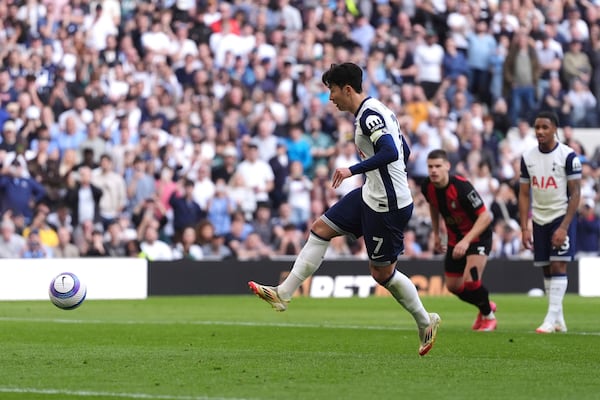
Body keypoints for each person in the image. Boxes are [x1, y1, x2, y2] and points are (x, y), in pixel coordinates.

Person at [248, 63, 440, 356]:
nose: (331, 98)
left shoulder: (370, 117)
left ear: (347, 89)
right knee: (320, 228)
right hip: (371, 194)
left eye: (332, 91)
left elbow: (390, 151)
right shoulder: (376, 109)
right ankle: (283, 293)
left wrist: (353, 169)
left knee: (382, 274)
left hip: (387, 206)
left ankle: (425, 320)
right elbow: (404, 150)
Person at [518, 111, 582, 334]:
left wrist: (564, 226)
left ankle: (549, 318)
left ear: (555, 129)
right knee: (546, 267)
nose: (540, 132)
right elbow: (524, 193)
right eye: (537, 127)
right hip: (539, 217)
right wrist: (524, 227)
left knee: (558, 264)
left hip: (560, 215)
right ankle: (559, 320)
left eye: (545, 127)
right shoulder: (527, 157)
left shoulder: (568, 156)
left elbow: (576, 193)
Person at [421, 149, 497, 331]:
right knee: (453, 286)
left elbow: (485, 217)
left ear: (447, 166)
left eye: (438, 166)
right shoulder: (427, 187)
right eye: (430, 167)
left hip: (478, 237)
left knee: (471, 281)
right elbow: (433, 206)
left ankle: (489, 317)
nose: (433, 170)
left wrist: (466, 241)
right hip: (454, 239)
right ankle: (485, 304)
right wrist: (437, 234)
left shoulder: (462, 187)